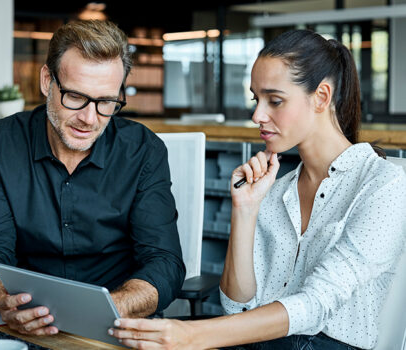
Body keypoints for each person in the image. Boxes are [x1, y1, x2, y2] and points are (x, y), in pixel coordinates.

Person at [110, 29, 406, 349]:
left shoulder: (384, 186)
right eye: (256, 99)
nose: (257, 115)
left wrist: (193, 335)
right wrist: (245, 210)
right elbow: (237, 307)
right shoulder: (277, 191)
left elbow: (317, 304)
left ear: (321, 96)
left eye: (274, 100)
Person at [0, 19, 185, 337]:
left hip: (117, 325)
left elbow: (164, 263)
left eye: (106, 102)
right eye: (74, 96)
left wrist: (112, 307)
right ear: (47, 81)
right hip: (25, 324)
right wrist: (4, 300)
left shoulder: (143, 151)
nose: (89, 118)